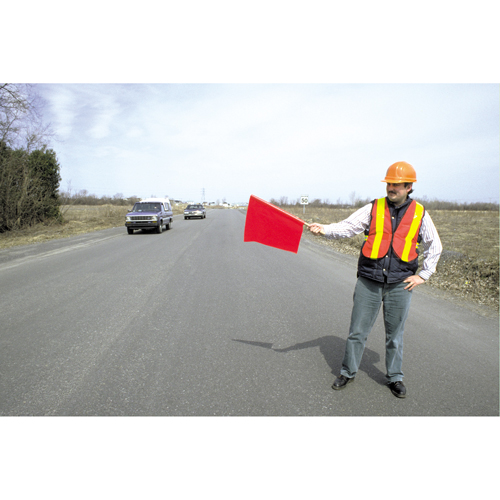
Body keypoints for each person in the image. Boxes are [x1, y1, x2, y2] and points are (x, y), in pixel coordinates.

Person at [308, 161, 442, 398]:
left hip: (400, 284)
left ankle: (395, 378)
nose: (391, 188)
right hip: (369, 280)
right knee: (357, 331)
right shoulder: (374, 207)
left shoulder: (420, 213)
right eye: (389, 183)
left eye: (397, 185)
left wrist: (423, 275)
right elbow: (348, 227)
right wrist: (325, 229)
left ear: (409, 187)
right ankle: (347, 372)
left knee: (395, 335)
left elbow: (435, 245)